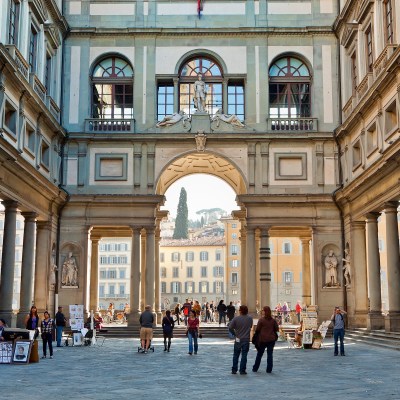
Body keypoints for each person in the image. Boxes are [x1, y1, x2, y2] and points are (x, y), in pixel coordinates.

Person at [252, 306, 279, 374]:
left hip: (263, 339)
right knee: (270, 354)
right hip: (271, 339)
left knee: (259, 354)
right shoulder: (273, 320)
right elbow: (276, 328)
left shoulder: (261, 320)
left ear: (265, 311)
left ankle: (255, 368)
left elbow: (257, 329)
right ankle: (269, 369)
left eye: (263, 310)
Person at [228, 305, 253, 374]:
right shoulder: (250, 318)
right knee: (244, 355)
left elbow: (230, 328)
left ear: (240, 311)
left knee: (236, 355)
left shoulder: (236, 319)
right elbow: (250, 327)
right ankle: (242, 370)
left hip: (238, 338)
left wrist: (234, 334)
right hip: (246, 339)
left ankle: (234, 369)